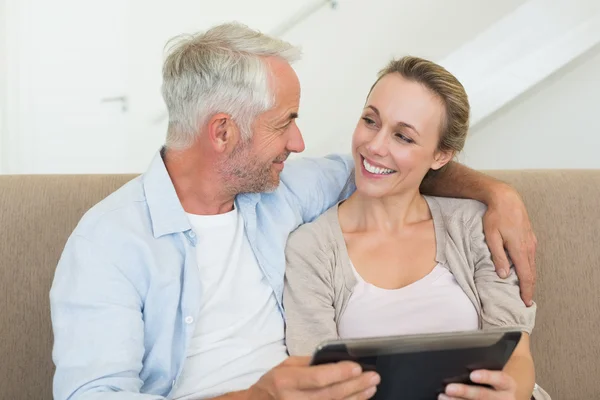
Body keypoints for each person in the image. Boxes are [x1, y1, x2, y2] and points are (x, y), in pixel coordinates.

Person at [50, 23, 537, 400]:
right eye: (285, 123)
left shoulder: (284, 188)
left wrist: (497, 194)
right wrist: (257, 396)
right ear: (222, 132)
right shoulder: (110, 242)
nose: (299, 143)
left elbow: (388, 168)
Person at [283, 56, 543, 400]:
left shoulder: (474, 227)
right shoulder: (312, 249)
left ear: (441, 156)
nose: (374, 147)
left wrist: (512, 392)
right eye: (370, 120)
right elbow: (315, 382)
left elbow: (517, 356)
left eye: (403, 137)